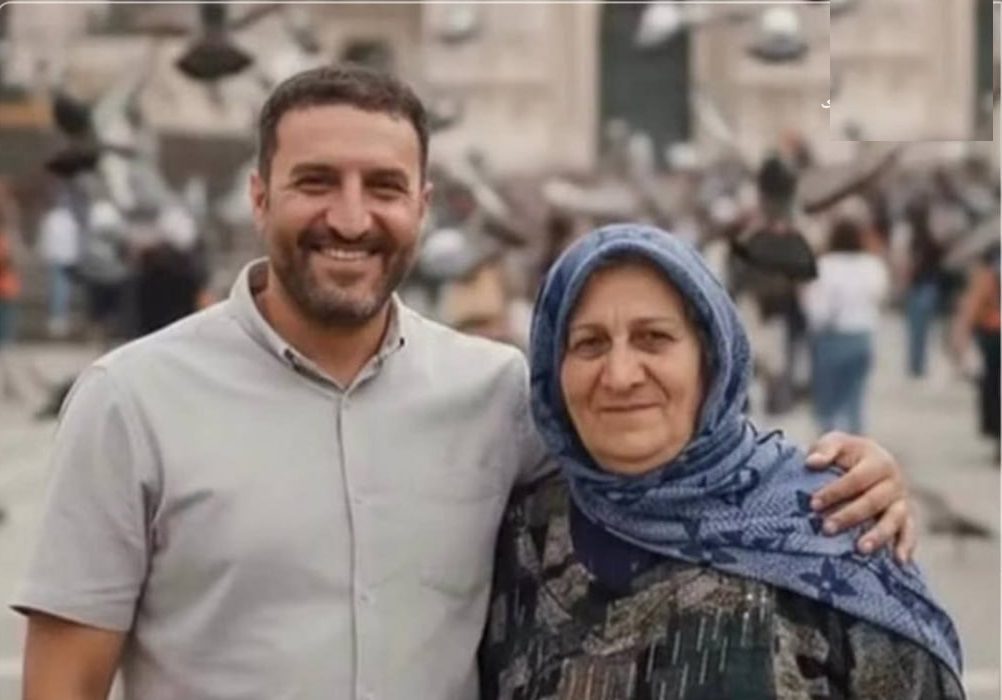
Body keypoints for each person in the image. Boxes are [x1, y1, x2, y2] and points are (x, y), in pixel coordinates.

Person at [14, 65, 918, 700]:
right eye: (316, 182)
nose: (350, 218)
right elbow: (64, 682)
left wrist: (848, 478)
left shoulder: (500, 395)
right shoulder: (132, 402)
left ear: (424, 206)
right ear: (259, 197)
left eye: (383, 186)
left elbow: (659, 466)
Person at [480, 224, 962, 699]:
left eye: (653, 338)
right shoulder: (519, 536)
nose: (620, 375)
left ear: (710, 357)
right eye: (590, 343)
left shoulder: (835, 519)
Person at [802, 217, 889, 434]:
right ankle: (856, 437)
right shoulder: (872, 265)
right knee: (855, 396)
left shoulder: (825, 266)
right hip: (862, 334)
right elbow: (879, 295)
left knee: (828, 399)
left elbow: (816, 307)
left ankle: (829, 440)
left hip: (832, 335)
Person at [950, 246, 1000, 459]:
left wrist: (959, 342)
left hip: (993, 335)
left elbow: (971, 307)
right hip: (993, 335)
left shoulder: (987, 274)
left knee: (992, 389)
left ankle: (998, 436)